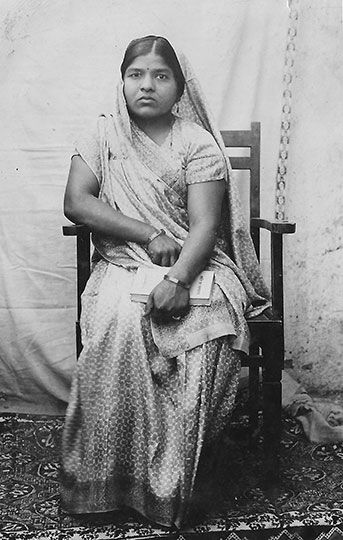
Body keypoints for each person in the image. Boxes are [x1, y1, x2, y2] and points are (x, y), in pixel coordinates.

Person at [60, 35, 270, 529]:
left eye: (160, 75)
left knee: (209, 327)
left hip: (198, 266)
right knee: (119, 320)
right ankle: (109, 482)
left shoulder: (197, 143)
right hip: (124, 263)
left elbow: (203, 227)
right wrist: (147, 233)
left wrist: (178, 278)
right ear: (123, 82)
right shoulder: (103, 134)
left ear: (179, 86)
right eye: (137, 75)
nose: (147, 85)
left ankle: (180, 481)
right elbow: (77, 202)